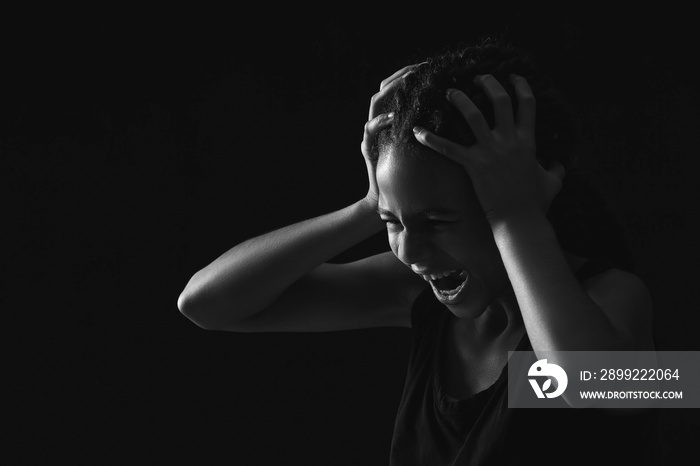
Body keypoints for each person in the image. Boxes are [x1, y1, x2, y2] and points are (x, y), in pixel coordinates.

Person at [178, 38, 659, 465]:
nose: (409, 250)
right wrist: (372, 205)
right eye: (395, 224)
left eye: (436, 221)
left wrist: (515, 213)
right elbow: (206, 304)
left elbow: (581, 385)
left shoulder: (615, 298)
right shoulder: (420, 298)